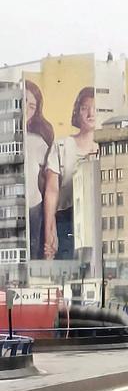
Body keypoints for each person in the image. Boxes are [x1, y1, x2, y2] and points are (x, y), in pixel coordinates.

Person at [44, 87, 99, 260]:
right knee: (68, 268)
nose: (90, 113)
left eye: (95, 108)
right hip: (67, 220)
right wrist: (49, 231)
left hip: (100, 217)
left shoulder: (109, 145)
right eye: (84, 108)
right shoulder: (61, 147)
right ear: (77, 112)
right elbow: (52, 191)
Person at [22, 81, 55, 260]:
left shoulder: (37, 141)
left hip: (32, 209)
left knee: (32, 257)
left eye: (32, 106)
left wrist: (51, 231)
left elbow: (49, 184)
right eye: (23, 101)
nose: (26, 108)